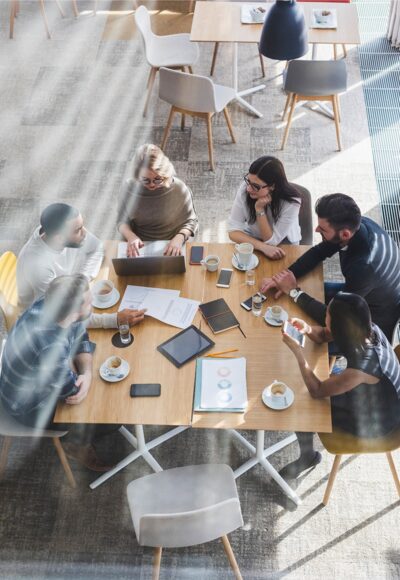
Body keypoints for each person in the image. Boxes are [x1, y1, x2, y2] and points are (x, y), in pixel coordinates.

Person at [0, 275, 115, 471]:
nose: (92, 303)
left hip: (37, 379)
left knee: (99, 388)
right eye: (88, 302)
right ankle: (74, 445)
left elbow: (81, 334)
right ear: (74, 312)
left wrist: (86, 374)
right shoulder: (51, 346)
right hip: (28, 408)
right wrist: (83, 380)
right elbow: (71, 393)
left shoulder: (50, 304)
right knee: (111, 420)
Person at [279, 292, 400, 479]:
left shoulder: (362, 368)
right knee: (310, 381)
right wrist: (306, 329)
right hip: (375, 396)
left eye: (328, 316)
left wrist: (298, 352)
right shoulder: (367, 328)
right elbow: (322, 335)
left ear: (340, 326)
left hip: (377, 421)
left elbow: (317, 390)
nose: (325, 316)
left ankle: (308, 457)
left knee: (303, 402)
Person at [261, 194, 400, 340]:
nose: (316, 230)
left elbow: (336, 320)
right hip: (362, 289)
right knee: (309, 292)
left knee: (311, 340)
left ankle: (328, 360)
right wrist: (286, 276)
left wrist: (294, 291)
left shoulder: (364, 267)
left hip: (373, 316)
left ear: (345, 234)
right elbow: (319, 252)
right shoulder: (357, 224)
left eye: (322, 229)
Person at [17, 203, 145, 330]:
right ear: (60, 238)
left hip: (70, 298)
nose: (85, 233)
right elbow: (61, 315)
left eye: (82, 226)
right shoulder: (38, 266)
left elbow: (97, 247)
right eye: (78, 230)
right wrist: (114, 320)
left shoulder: (56, 231)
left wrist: (81, 280)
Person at [118, 144, 199, 257]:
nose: (152, 185)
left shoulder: (178, 188)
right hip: (140, 247)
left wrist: (179, 238)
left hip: (171, 245)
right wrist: (131, 237)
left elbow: (192, 221)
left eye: (157, 179)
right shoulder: (128, 188)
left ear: (165, 173)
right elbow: (122, 221)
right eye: (145, 180)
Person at [228, 156, 302, 260]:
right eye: (248, 181)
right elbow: (233, 231)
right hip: (254, 237)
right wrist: (262, 247)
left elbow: (272, 242)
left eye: (256, 186)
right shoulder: (245, 188)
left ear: (272, 186)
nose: (248, 189)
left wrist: (259, 209)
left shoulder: (291, 202)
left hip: (284, 242)